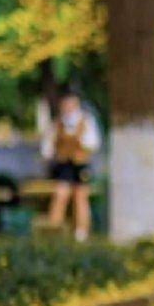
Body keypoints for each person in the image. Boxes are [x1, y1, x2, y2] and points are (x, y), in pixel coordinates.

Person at [40, 90, 100, 242]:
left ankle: (81, 233)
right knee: (60, 195)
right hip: (63, 164)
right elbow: (47, 146)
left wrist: (79, 144)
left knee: (81, 197)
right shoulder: (57, 123)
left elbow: (92, 143)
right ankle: (55, 231)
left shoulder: (86, 120)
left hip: (80, 163)